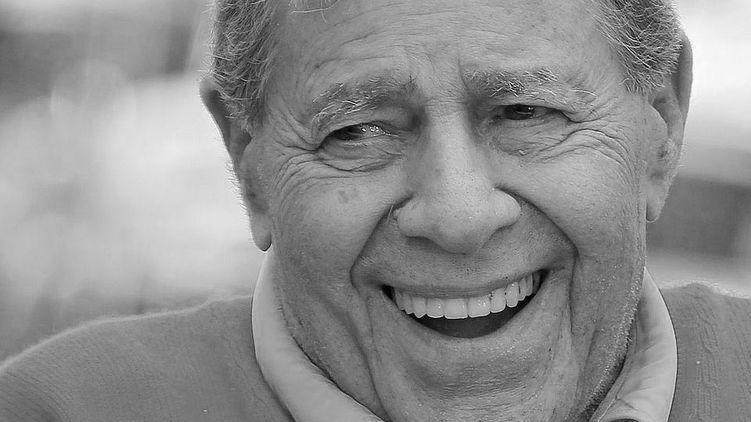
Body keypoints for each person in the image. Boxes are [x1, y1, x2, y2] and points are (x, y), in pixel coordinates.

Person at [1, 0, 750, 421]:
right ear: (246, 160)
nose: (457, 218)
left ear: (663, 120)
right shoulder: (67, 409)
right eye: (357, 131)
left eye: (525, 113)